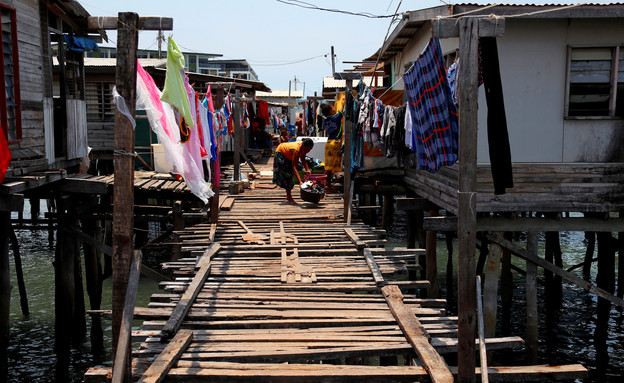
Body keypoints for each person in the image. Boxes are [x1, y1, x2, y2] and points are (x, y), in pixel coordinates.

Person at [273, 138, 314, 204]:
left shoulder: (303, 148)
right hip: (281, 153)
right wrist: (300, 181)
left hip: (288, 154)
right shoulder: (296, 150)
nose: (308, 151)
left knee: (289, 174)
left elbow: (303, 158)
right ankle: (289, 198)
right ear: (303, 146)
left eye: (309, 150)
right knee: (288, 175)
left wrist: (307, 169)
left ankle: (288, 196)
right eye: (307, 149)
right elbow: (294, 167)